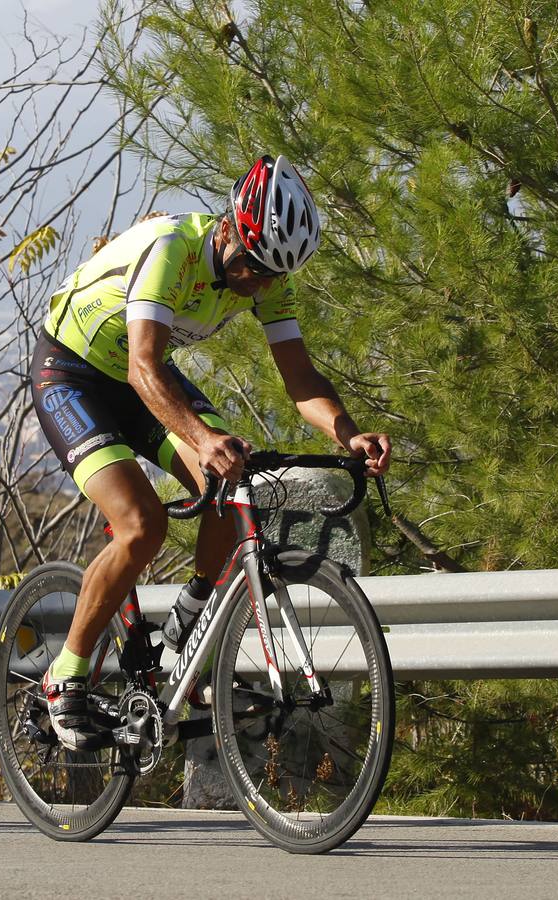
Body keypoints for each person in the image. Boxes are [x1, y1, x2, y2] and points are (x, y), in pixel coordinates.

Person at [31, 155, 391, 750]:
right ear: (230, 230)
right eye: (253, 269)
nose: (260, 285)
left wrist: (348, 433)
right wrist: (201, 439)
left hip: (142, 382)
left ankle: (188, 619)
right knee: (140, 525)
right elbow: (142, 368)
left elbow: (300, 380)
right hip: (72, 375)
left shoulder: (269, 275)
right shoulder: (172, 249)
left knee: (234, 480)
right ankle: (63, 675)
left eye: (274, 275)